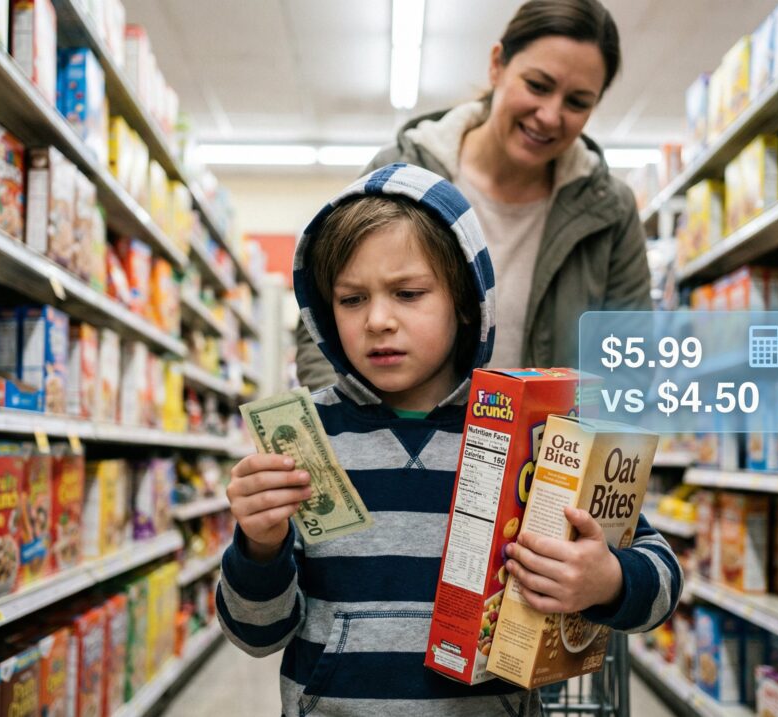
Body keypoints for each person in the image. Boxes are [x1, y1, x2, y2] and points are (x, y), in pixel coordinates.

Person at [218, 163, 682, 716]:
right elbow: (255, 635)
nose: (378, 321)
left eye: (408, 293)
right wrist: (259, 546)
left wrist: (606, 580)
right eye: (351, 299)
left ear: (465, 303)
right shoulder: (303, 443)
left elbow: (660, 577)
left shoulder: (530, 432)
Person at [296, 0, 651, 390]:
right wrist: (344, 431)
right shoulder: (402, 171)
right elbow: (323, 318)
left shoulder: (609, 210)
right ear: (497, 64)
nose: (550, 115)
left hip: (546, 447)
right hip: (405, 442)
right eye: (537, 85)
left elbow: (629, 360)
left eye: (577, 102)